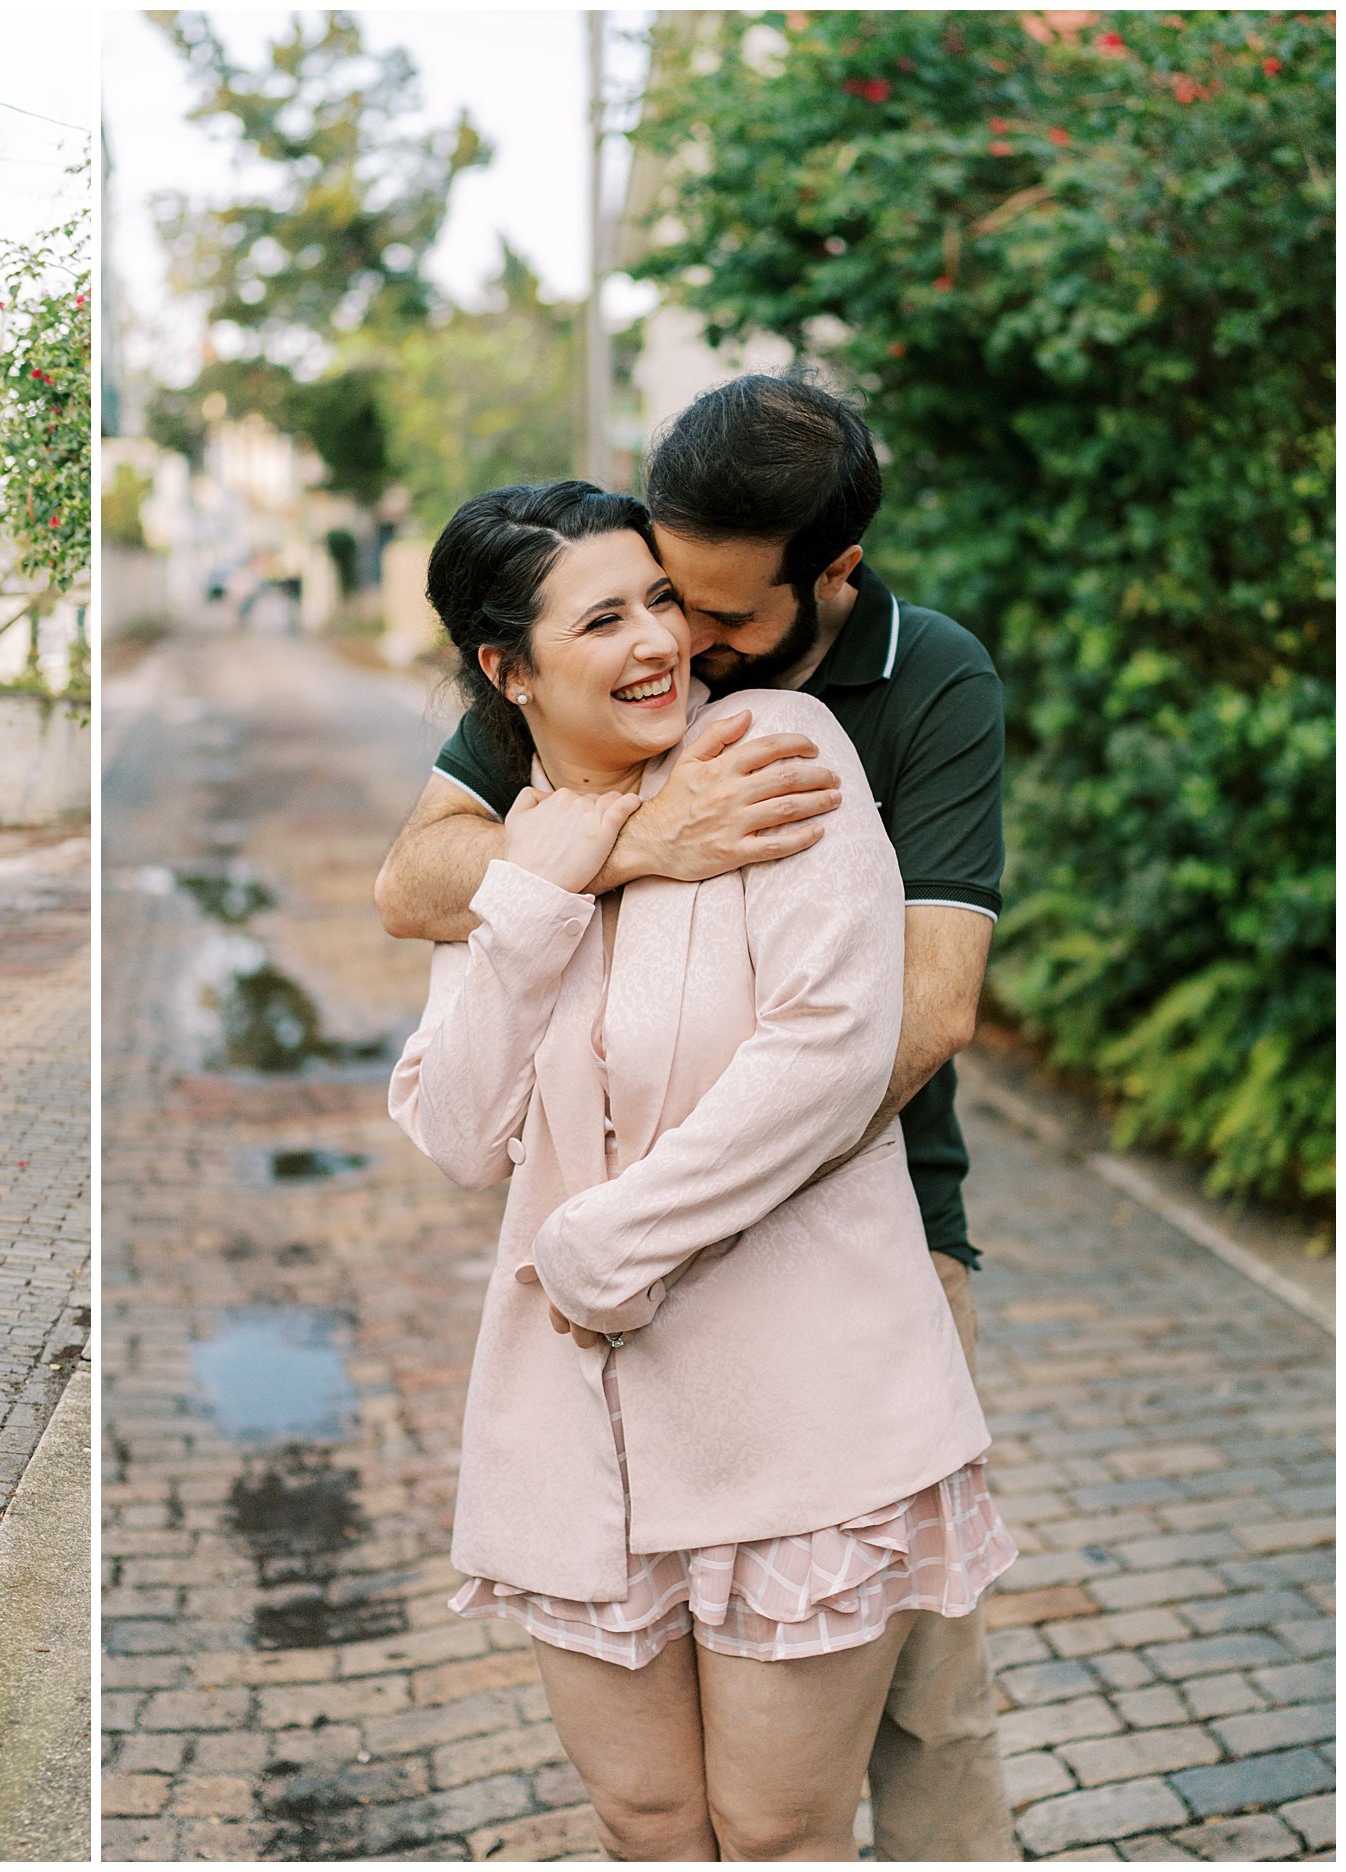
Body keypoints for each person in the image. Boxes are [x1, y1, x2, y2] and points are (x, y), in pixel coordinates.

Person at [376, 377, 1014, 1862]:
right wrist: (579, 865)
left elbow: (893, 1026)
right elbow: (429, 951)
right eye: (623, 609)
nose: (676, 641)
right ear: (510, 671)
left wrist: (613, 1235)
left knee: (906, 1741)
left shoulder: (843, 723)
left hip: (846, 1288)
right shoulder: (542, 783)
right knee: (652, 1816)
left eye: (690, 608)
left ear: (828, 576)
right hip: (580, 1395)